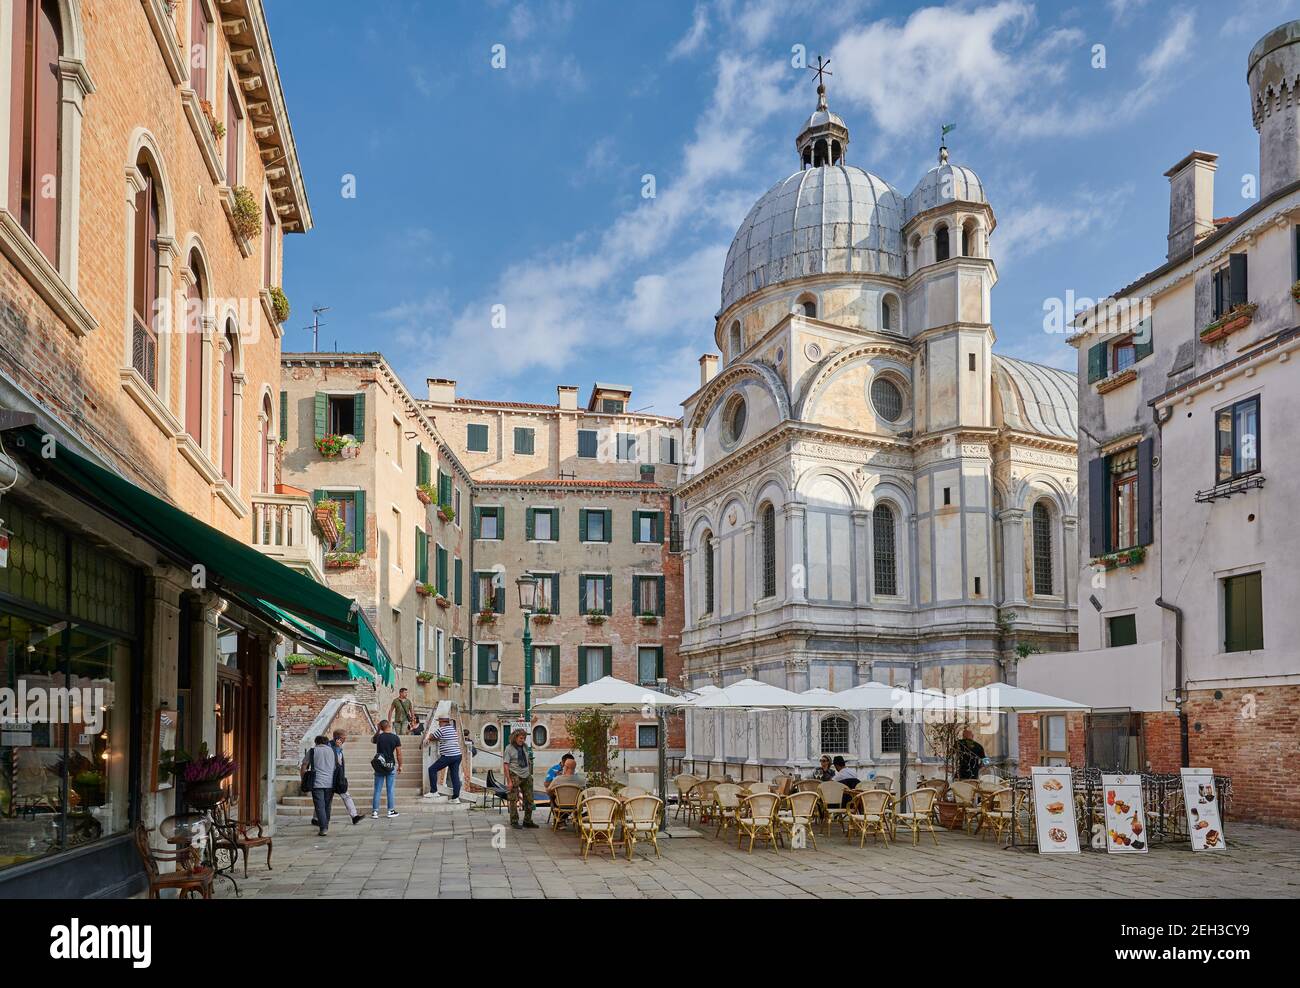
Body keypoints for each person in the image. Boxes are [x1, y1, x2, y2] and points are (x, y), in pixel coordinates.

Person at [313, 730, 363, 827]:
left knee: (342, 796)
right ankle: (316, 819)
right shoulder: (330, 747)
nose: (345, 739)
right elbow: (337, 762)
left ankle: (354, 816)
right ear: (338, 738)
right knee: (326, 800)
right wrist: (338, 749)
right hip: (331, 778)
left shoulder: (335, 746)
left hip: (336, 777)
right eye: (344, 737)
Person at [422, 714, 466, 803]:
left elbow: (432, 736)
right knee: (455, 776)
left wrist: (428, 737)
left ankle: (434, 791)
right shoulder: (452, 730)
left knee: (432, 769)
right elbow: (442, 738)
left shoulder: (442, 729)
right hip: (457, 755)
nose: (438, 724)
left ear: (442, 722)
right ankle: (455, 798)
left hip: (448, 756)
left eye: (439, 722)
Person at [302, 735, 338, 837]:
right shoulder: (333, 751)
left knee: (319, 806)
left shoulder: (313, 751)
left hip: (317, 782)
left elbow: (304, 765)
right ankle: (325, 825)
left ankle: (323, 828)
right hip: (330, 782)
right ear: (327, 742)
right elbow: (337, 765)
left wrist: (303, 779)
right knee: (327, 805)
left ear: (316, 742)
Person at [502, 728, 537, 829]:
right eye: (521, 738)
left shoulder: (525, 746)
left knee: (529, 799)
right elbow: (505, 765)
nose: (523, 740)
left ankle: (528, 820)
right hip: (515, 775)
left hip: (526, 775)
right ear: (515, 737)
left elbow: (528, 760)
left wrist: (530, 773)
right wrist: (509, 781)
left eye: (524, 738)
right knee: (513, 799)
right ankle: (514, 821)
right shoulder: (509, 749)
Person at [371, 719, 402, 819]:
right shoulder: (395, 738)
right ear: (389, 726)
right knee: (390, 790)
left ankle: (375, 812)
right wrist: (400, 765)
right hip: (390, 765)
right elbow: (399, 753)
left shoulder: (379, 737)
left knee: (377, 790)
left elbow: (372, 740)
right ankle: (390, 811)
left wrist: (378, 730)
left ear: (381, 727)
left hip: (379, 765)